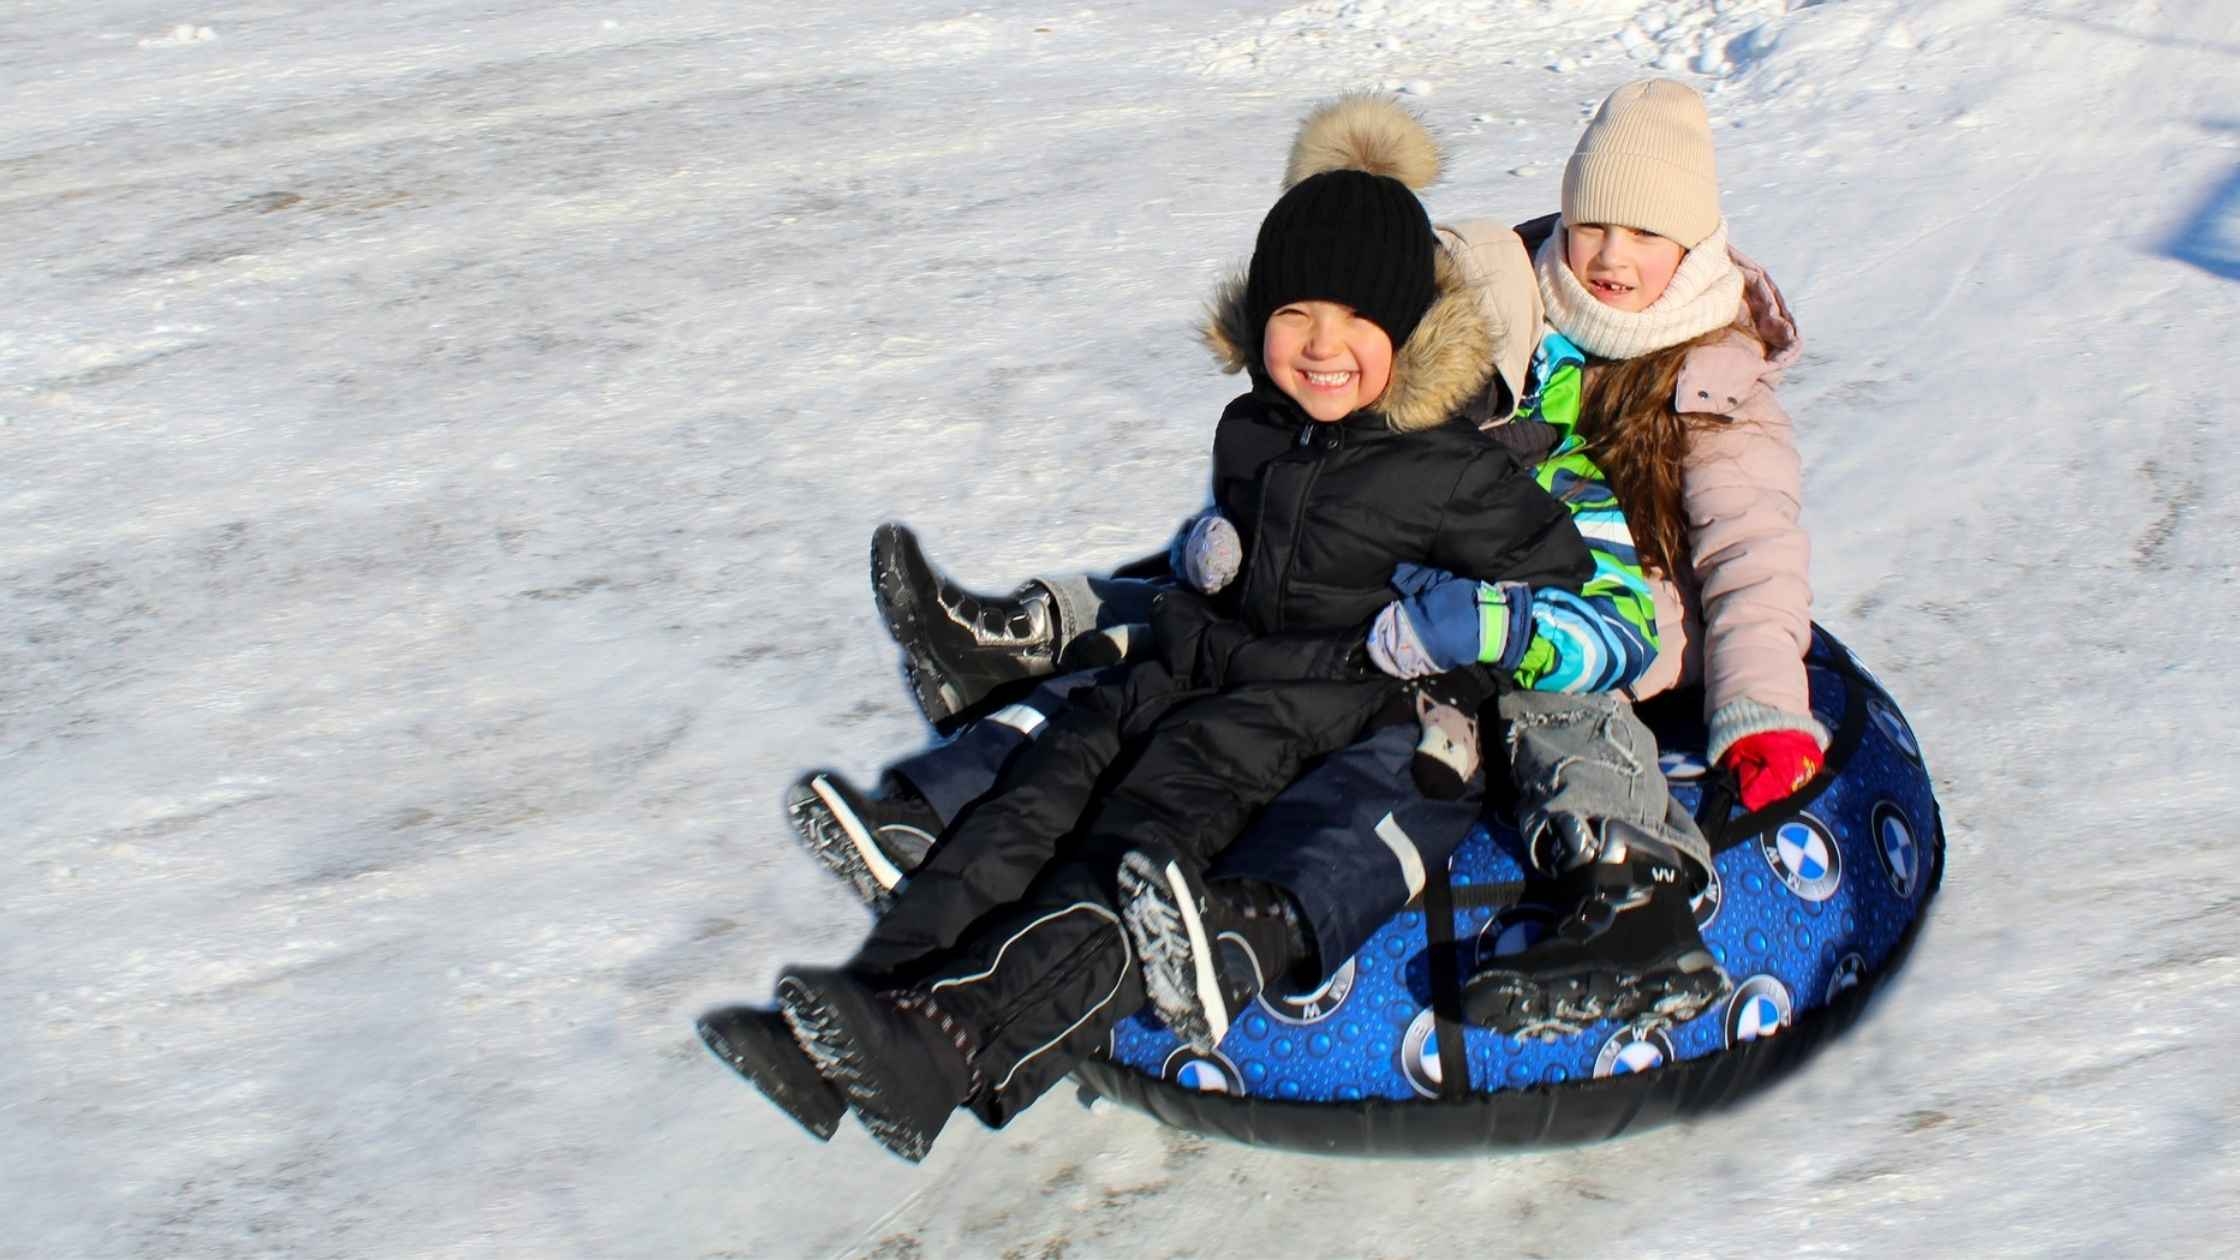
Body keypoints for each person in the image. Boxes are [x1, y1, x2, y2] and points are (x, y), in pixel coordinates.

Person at [801, 78, 1818, 1042]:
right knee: (1245, 586)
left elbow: (1748, 551)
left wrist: (1759, 715)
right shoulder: (1519, 290)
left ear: (1690, 244)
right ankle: (1012, 649)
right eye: (1592, 221)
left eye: (1644, 232)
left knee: (1554, 709)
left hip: (1602, 620)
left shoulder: (1711, 375)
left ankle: (1627, 898)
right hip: (1445, 575)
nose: (1608, 252)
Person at [697, 96, 1598, 1161]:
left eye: (1357, 320)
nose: (1320, 347)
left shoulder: (1453, 469)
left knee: (1118, 859)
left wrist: (1455, 639)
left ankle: (943, 1048)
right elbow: (1278, 543)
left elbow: (1563, 591)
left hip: (1296, 718)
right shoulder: (1254, 426)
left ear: (1406, 335)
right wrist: (1210, 548)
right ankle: (857, 1023)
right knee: (1017, 818)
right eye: (1293, 313)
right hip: (1181, 671)